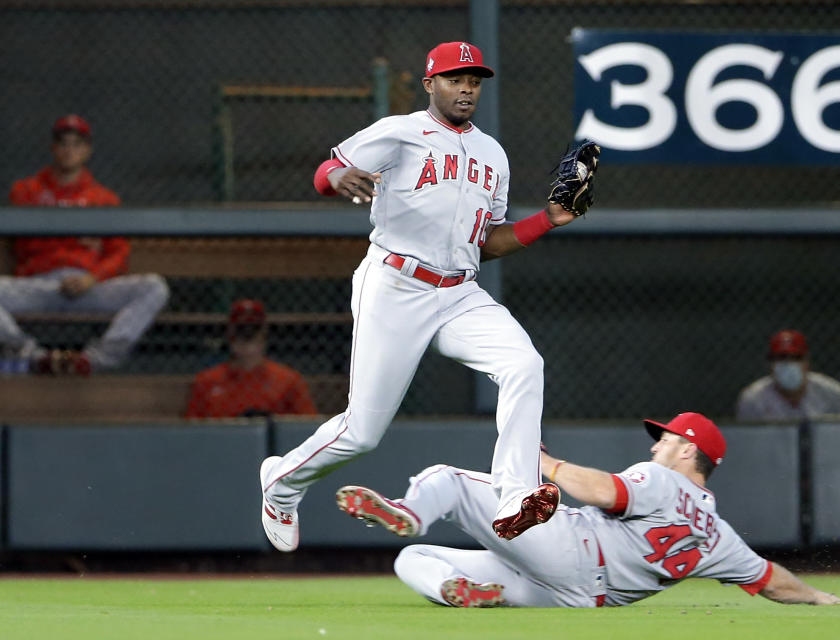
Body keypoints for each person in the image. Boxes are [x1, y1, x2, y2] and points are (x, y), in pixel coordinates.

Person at [260, 41, 588, 552]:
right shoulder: (400, 131)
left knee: (524, 365)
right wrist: (336, 175)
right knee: (362, 433)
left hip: (459, 291)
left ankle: (514, 495)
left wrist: (547, 219)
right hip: (395, 284)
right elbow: (327, 171)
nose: (466, 89)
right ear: (430, 84)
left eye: (474, 81)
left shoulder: (492, 154)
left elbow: (488, 242)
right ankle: (282, 483)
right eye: (456, 79)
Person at [334, 412, 840, 608]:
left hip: (570, 549)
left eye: (666, 438)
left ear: (688, 451)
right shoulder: (718, 536)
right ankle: (463, 592)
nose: (655, 446)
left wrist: (549, 464)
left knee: (448, 480)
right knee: (414, 561)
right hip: (579, 598)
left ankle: (409, 511)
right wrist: (822, 598)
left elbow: (604, 492)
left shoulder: (663, 479)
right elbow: (770, 580)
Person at [1, 114, 169, 375]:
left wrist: (93, 277)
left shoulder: (104, 198)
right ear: (53, 148)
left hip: (90, 287)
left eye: (76, 144)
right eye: (63, 143)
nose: (69, 150)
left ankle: (94, 360)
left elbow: (119, 253)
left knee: (154, 287)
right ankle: (32, 356)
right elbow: (24, 246)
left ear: (87, 151)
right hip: (41, 285)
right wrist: (74, 239)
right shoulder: (26, 190)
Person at [185, 299, 318, 418]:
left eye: (253, 330)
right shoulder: (206, 382)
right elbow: (192, 434)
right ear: (229, 334)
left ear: (264, 334)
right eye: (241, 330)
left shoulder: (289, 382)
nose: (247, 337)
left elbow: (308, 431)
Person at [735, 329, 840, 421]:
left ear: (807, 362)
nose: (789, 364)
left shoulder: (833, 394)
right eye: (781, 358)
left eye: (796, 358)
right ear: (770, 364)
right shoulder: (752, 399)